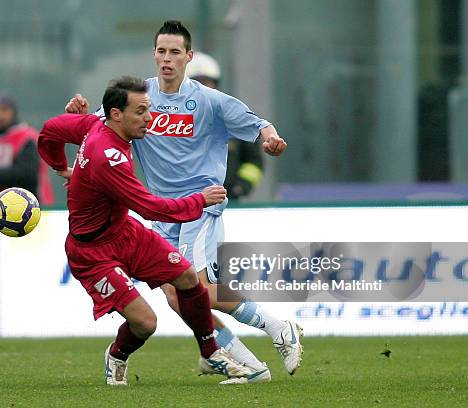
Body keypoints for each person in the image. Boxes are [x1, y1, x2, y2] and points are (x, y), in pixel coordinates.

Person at [64, 20, 302, 377]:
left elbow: (257, 123)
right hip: (160, 213)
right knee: (177, 297)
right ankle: (248, 365)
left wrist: (271, 138)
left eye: (175, 52)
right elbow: (98, 130)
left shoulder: (208, 100)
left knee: (200, 288)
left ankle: (277, 329)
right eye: (161, 51)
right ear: (154, 54)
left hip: (200, 207)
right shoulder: (137, 98)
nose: (167, 59)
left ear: (188, 57)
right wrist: (78, 118)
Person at [38, 76, 268, 386]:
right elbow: (151, 208)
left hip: (125, 233)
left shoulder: (95, 126)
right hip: (93, 252)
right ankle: (117, 355)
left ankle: (210, 353)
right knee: (146, 323)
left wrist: (59, 166)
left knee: (187, 277)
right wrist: (200, 200)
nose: (150, 118)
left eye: (149, 109)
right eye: (141, 112)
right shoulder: (109, 158)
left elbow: (50, 130)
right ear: (116, 115)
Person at [186, 51, 264, 200]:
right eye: (196, 82)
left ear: (216, 84)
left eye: (207, 82)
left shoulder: (233, 118)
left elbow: (254, 161)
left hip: (228, 203)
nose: (203, 87)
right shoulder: (175, 121)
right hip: (186, 202)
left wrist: (240, 187)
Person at [0, 92, 54, 204]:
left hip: (30, 207)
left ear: (14, 113)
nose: (0, 115)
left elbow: (26, 173)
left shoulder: (26, 137)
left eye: (5, 110)